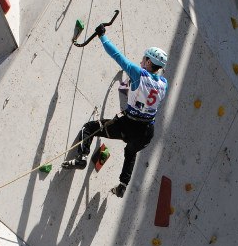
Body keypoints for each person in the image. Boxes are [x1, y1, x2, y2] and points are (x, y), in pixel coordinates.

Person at [65, 33, 168, 198]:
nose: (141, 61)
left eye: (144, 59)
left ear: (149, 62)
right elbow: (146, 96)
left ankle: (81, 157)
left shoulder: (138, 73)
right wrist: (127, 88)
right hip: (146, 132)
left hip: (128, 125)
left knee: (90, 128)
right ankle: (122, 185)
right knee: (130, 152)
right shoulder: (164, 84)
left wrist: (102, 36)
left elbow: (117, 56)